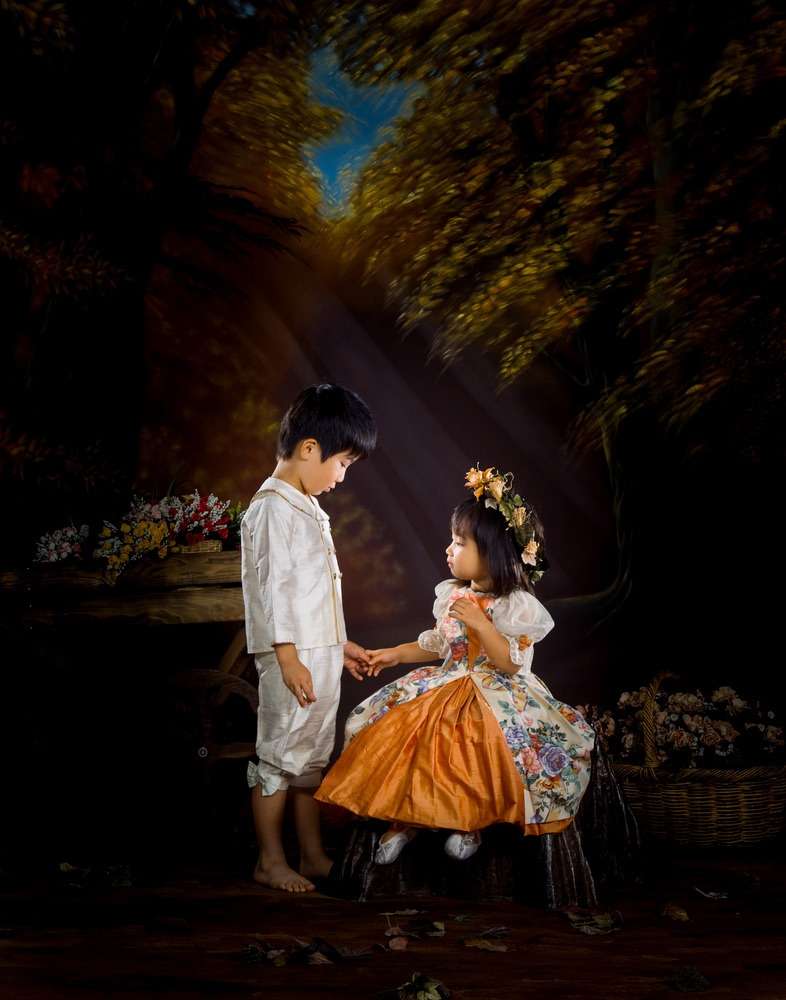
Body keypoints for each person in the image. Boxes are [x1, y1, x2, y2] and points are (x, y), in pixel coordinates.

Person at [315, 465, 596, 864]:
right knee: (403, 731)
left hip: (495, 688)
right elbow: (438, 644)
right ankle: (404, 820)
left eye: (460, 543)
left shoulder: (515, 604)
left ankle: (469, 824)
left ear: (493, 553)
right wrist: (394, 653)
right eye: (452, 540)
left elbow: (511, 663)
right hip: (449, 679)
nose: (449, 549)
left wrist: (482, 624)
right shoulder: (453, 595)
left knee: (473, 744)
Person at [241, 383, 376, 892]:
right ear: (309, 448)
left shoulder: (307, 506)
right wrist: (288, 656)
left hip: (317, 653)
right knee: (280, 754)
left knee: (310, 757)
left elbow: (315, 594)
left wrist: (339, 646)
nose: (341, 476)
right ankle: (270, 859)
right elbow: (275, 590)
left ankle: (312, 854)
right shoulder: (272, 509)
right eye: (342, 463)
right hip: (290, 657)